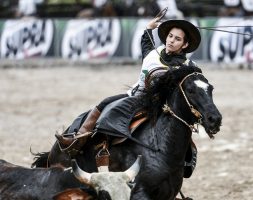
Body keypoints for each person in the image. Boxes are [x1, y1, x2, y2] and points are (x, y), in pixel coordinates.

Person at [58, 15, 201, 179]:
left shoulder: (187, 66)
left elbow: (197, 84)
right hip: (136, 97)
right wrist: (149, 27)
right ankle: (78, 140)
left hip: (164, 107)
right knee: (106, 104)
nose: (171, 41)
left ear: (185, 44)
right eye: (170, 36)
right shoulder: (153, 53)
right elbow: (146, 42)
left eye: (177, 39)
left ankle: (183, 164)